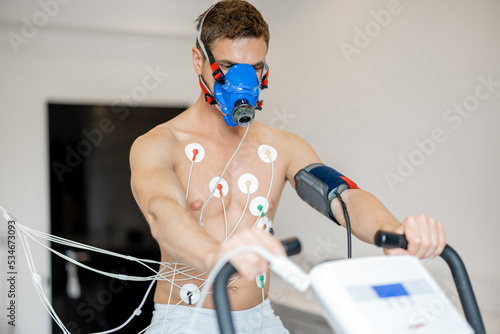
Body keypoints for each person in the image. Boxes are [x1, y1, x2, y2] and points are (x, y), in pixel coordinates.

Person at [129, 1, 446, 333]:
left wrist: (395, 233)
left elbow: (343, 197)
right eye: (228, 67)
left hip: (262, 318)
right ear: (199, 61)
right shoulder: (161, 144)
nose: (243, 83)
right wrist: (217, 255)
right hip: (187, 319)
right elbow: (161, 212)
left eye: (254, 68)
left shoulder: (281, 146)